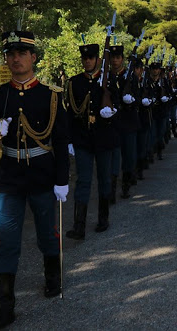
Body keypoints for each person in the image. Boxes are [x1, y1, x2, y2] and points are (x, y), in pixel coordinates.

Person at [0, 31, 70, 329]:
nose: (15, 58)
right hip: (9, 177)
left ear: (33, 57)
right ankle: (4, 308)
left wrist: (62, 180)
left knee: (47, 233)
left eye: (21, 53)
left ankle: (53, 278)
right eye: (10, 53)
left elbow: (59, 140)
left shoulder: (50, 94)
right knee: (7, 242)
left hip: (43, 174)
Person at [65, 42, 119, 240]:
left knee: (104, 178)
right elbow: (70, 114)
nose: (87, 61)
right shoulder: (74, 82)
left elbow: (119, 103)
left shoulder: (110, 80)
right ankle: (78, 225)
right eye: (84, 58)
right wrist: (69, 140)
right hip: (82, 139)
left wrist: (111, 112)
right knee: (83, 180)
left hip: (104, 138)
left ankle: (103, 218)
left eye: (90, 58)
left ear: (97, 59)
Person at [109, 43, 142, 199]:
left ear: (122, 59)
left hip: (128, 122)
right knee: (113, 158)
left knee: (128, 156)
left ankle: (126, 185)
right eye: (112, 58)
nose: (115, 61)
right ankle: (112, 189)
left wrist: (132, 100)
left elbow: (139, 98)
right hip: (112, 123)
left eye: (117, 57)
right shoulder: (106, 77)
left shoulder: (131, 78)